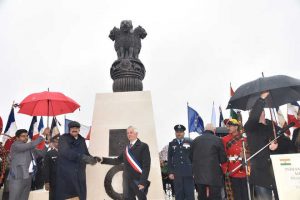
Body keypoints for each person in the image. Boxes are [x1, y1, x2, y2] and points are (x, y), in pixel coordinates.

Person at [244, 91, 279, 200]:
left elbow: (285, 142)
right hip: (260, 174)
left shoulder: (271, 126)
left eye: (260, 111)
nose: (257, 113)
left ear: (264, 113)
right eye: (254, 112)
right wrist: (261, 99)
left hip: (277, 172)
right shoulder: (250, 127)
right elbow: (254, 116)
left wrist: (276, 145)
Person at [101, 126, 151, 200]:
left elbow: (146, 165)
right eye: (127, 133)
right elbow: (117, 161)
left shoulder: (143, 146)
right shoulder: (126, 148)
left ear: (136, 134)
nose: (129, 134)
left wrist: (143, 182)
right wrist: (103, 160)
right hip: (126, 182)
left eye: (131, 132)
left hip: (138, 181)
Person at [55, 121, 100, 200]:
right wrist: (82, 157)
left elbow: (86, 153)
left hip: (80, 176)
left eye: (76, 128)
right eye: (72, 128)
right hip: (67, 177)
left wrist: (93, 159)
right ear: (69, 129)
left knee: (81, 197)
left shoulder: (82, 140)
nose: (74, 129)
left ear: (79, 130)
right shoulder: (63, 138)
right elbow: (66, 152)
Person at [8, 128, 48, 200]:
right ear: (17, 138)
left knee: (24, 198)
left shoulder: (30, 148)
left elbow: (41, 154)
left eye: (27, 136)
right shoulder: (15, 145)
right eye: (23, 136)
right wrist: (43, 135)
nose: (26, 138)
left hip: (28, 177)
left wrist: (47, 145)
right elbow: (29, 145)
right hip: (17, 178)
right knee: (14, 198)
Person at [191, 123, 227, 200]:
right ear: (214, 130)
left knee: (201, 196)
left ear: (205, 130)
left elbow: (190, 157)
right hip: (214, 175)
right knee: (215, 197)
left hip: (199, 175)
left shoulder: (195, 140)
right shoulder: (218, 140)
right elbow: (223, 159)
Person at [222, 119, 249, 200]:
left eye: (230, 126)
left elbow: (250, 153)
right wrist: (224, 170)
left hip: (244, 169)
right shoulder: (224, 139)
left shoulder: (245, 139)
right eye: (227, 126)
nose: (228, 128)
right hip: (232, 170)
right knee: (236, 195)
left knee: (245, 194)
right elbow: (223, 155)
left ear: (236, 127)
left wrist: (245, 154)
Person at [167, 124, 194, 200]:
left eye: (181, 132)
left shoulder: (190, 142)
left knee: (189, 194)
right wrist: (170, 172)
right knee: (179, 194)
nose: (179, 133)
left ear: (184, 133)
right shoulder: (172, 144)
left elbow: (193, 157)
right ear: (175, 133)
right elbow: (169, 159)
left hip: (188, 173)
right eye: (177, 132)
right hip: (177, 174)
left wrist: (194, 171)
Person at [43, 134, 60, 200]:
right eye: (55, 142)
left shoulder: (66, 153)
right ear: (52, 143)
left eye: (59, 142)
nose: (57, 143)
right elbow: (46, 168)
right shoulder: (49, 154)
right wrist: (46, 181)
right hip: (54, 181)